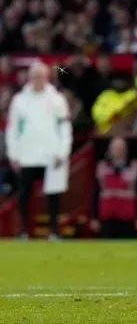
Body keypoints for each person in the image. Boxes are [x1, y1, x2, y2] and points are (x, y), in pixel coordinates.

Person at [5, 61, 72, 240]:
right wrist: (13, 154)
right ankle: (23, 231)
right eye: (34, 76)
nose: (38, 80)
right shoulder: (19, 100)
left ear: (47, 77)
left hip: (52, 154)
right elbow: (12, 129)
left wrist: (63, 152)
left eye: (41, 76)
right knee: (24, 195)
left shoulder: (57, 99)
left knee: (53, 195)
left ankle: (54, 231)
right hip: (27, 155)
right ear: (29, 77)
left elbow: (65, 128)